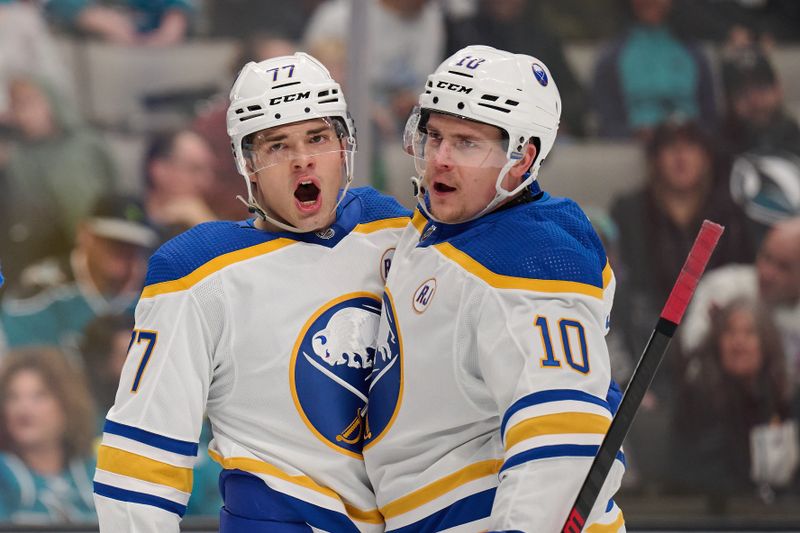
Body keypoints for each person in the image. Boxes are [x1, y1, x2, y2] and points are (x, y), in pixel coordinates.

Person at [92, 52, 410, 531]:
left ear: (346, 145)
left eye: (318, 137)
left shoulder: (392, 231)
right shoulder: (197, 272)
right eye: (278, 145)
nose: (303, 158)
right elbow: (139, 462)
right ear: (248, 164)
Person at [362, 45, 625, 531]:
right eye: (434, 135)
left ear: (522, 158)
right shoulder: (446, 228)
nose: (439, 159)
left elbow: (561, 442)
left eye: (466, 143)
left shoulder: (532, 263)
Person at [673, 298, 795, 503]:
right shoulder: (698, 398)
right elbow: (692, 473)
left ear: (767, 342)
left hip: (781, 516)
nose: (738, 342)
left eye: (749, 333)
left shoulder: (785, 399)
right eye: (730, 332)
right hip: (715, 515)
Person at [1, 193, 156, 353]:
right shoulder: (42, 291)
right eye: (112, 241)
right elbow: (18, 360)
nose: (123, 251)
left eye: (134, 245)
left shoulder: (150, 298)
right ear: (85, 235)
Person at [2, 76, 119, 281]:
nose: (21, 112)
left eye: (27, 102)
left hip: (96, 248)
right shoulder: (16, 158)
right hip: (36, 257)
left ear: (52, 101)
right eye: (15, 105)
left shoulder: (85, 145)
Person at [591, 0, 717, 140]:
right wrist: (634, 134)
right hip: (633, 147)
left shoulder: (694, 53)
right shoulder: (612, 57)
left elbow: (709, 116)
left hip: (691, 144)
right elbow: (608, 120)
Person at [0, 347, 96, 523]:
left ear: (68, 404)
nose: (23, 409)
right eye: (13, 397)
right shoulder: (4, 476)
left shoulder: (94, 472)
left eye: (39, 396)